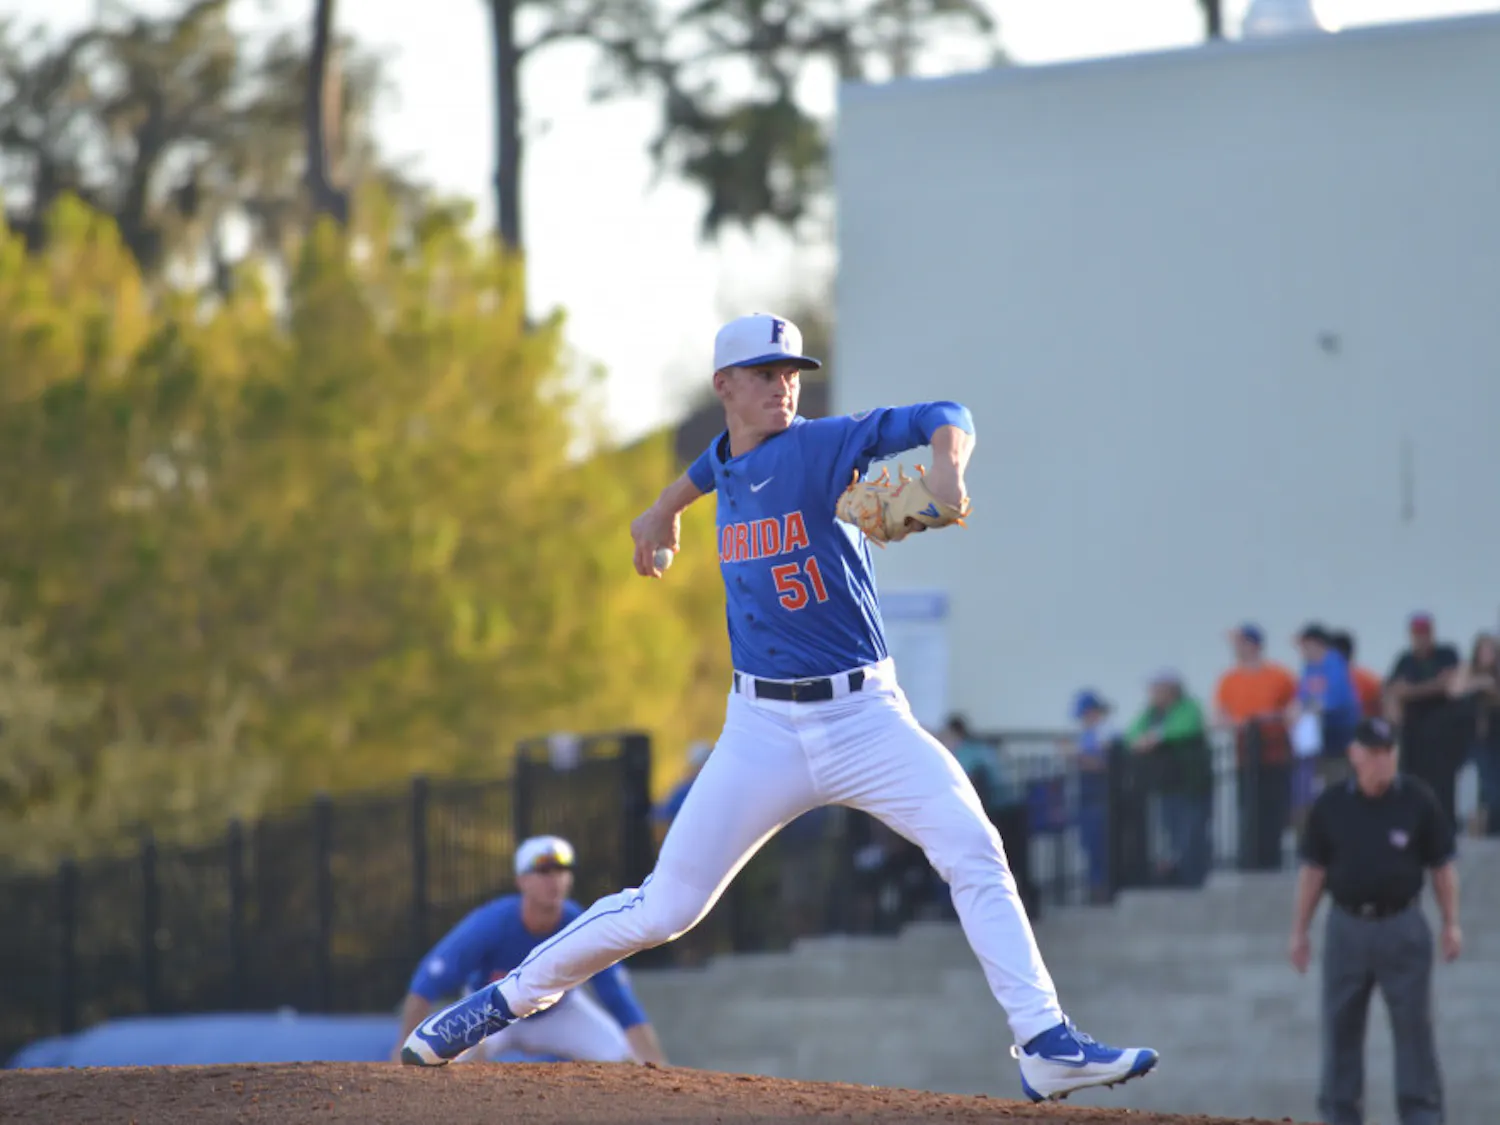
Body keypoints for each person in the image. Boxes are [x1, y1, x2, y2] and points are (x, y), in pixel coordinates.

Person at [400, 312, 1158, 1102]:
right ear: (724, 385)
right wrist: (661, 511)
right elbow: (712, 464)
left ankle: (1043, 1041)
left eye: (791, 371)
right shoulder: (730, 458)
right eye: (765, 374)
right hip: (762, 728)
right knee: (666, 907)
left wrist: (947, 464)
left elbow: (947, 415)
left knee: (973, 847)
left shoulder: (817, 443)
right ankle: (500, 1003)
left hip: (866, 718)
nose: (783, 385)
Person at [1289, 717, 1461, 1125]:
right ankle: (1339, 1115)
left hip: (1402, 924)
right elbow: (1313, 872)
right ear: (1355, 755)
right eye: (1374, 753)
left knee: (1414, 1030)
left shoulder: (1417, 800)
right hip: (1346, 925)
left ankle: (1422, 1115)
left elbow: (1442, 867)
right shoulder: (1331, 805)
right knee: (1340, 1029)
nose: (1382, 762)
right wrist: (1299, 931)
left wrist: (1451, 922)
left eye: (1389, 753)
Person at [391, 835, 667, 1066]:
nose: (554, 880)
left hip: (558, 1013)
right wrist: (399, 1053)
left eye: (561, 870)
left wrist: (660, 1068)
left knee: (625, 1061)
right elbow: (426, 983)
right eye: (543, 871)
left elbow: (619, 1000)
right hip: (493, 1010)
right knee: (449, 1064)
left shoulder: (580, 922)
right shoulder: (493, 922)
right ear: (521, 881)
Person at [1213, 623, 1297, 870]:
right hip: (1244, 756)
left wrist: (1268, 718)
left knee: (1273, 810)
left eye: (1240, 642)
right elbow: (1219, 715)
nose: (1236, 648)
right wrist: (1238, 724)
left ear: (1254, 645)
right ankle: (1249, 860)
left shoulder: (1279, 676)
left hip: (1275, 754)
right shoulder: (1229, 679)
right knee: (1248, 809)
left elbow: (1294, 710)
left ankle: (1272, 860)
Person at [1124, 670, 1213, 887]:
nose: (1153, 693)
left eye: (1157, 688)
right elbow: (1132, 733)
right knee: (1172, 832)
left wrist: (1156, 737)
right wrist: (1141, 739)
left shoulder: (1188, 708)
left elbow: (1185, 728)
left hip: (1191, 784)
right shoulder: (1151, 713)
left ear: (1171, 689)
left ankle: (1195, 878)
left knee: (1191, 833)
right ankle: (1178, 876)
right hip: (1165, 786)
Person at [1386, 613, 1463, 830]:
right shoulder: (1405, 660)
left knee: (1443, 787)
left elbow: (1450, 685)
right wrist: (1430, 687)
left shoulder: (1446, 655)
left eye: (1424, 633)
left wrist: (1410, 691)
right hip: (1414, 736)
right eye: (1416, 634)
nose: (1421, 638)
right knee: (1414, 785)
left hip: (1444, 736)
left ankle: (1445, 831)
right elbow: (1393, 690)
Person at [1447, 632, 1500, 836]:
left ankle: (1489, 826)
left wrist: (1490, 686)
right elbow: (1455, 690)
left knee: (1492, 785)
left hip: (1493, 737)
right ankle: (1476, 826)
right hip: (1468, 736)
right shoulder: (1468, 669)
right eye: (1483, 650)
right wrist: (1479, 682)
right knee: (1470, 783)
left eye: (1491, 651)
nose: (1487, 655)